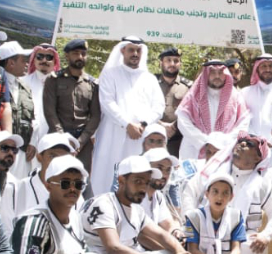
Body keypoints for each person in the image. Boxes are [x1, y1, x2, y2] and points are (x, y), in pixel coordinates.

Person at [182, 134, 272, 254]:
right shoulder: (213, 172)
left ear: (259, 157)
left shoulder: (261, 184)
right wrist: (192, 226)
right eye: (240, 141)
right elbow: (189, 193)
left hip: (242, 241)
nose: (241, 143)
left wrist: (266, 236)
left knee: (249, 247)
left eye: (249, 143)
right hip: (206, 235)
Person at [89, 37, 166, 198]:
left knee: (137, 175)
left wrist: (143, 124)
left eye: (138, 51)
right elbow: (107, 102)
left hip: (141, 136)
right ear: (122, 50)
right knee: (107, 173)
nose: (135, 54)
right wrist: (127, 124)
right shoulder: (110, 75)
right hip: (112, 135)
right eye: (131, 50)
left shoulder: (149, 79)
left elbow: (159, 107)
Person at [175, 59, 250, 167]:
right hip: (194, 150)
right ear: (206, 74)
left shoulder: (235, 96)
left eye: (220, 73)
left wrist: (224, 141)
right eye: (213, 73)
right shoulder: (194, 94)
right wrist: (203, 141)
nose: (217, 76)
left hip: (224, 150)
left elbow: (243, 124)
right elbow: (182, 120)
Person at [44, 39, 100, 177]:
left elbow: (96, 116)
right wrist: (63, 138)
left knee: (80, 179)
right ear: (67, 56)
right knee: (56, 177)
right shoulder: (54, 80)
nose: (80, 57)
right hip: (58, 138)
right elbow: (50, 111)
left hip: (83, 142)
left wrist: (80, 142)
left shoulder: (93, 84)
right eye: (76, 53)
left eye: (83, 53)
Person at [1, 132, 81, 227]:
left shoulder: (75, 193)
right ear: (39, 157)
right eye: (52, 156)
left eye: (63, 157)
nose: (57, 162)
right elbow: (6, 231)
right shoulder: (15, 190)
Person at [0, 42, 36, 182]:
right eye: (23, 60)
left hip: (21, 150)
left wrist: (32, 142)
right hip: (0, 150)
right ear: (11, 63)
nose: (27, 64)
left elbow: (31, 118)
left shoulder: (24, 87)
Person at [22, 43, 60, 173]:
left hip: (50, 144)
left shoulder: (61, 85)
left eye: (49, 57)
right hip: (25, 143)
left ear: (55, 60)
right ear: (34, 59)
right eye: (40, 56)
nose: (44, 60)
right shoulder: (22, 82)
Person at [155, 48, 191, 157]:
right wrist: (161, 125)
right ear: (161, 63)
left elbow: (191, 113)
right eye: (168, 60)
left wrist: (173, 127)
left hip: (178, 141)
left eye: (176, 61)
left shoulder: (188, 87)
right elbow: (143, 107)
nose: (172, 64)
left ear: (180, 64)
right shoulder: (151, 83)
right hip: (154, 139)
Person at [242, 54, 272, 139]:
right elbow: (242, 120)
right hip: (252, 145)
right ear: (257, 69)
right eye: (263, 66)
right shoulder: (245, 93)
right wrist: (254, 139)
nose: (267, 69)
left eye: (271, 66)